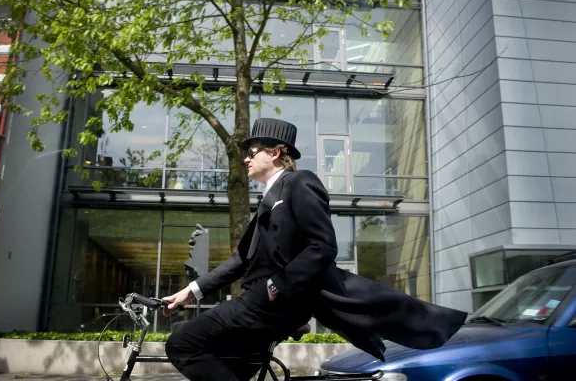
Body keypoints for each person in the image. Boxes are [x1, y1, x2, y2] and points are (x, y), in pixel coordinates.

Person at [163, 118, 467, 381]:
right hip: (264, 301)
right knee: (230, 367)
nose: (246, 159)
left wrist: (276, 284)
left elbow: (322, 246)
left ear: (276, 152)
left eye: (252, 151)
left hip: (269, 302)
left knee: (182, 343)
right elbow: (241, 259)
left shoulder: (300, 183)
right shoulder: (269, 199)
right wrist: (191, 291)